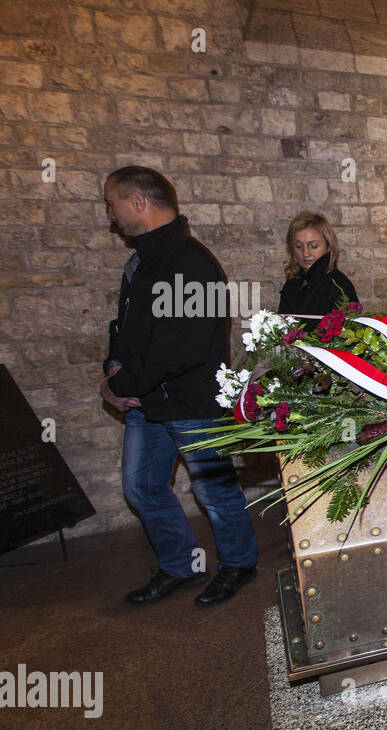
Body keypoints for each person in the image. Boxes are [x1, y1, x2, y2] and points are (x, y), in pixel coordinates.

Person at [99, 166, 259, 607]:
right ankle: (179, 565)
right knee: (142, 488)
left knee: (215, 491)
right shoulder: (140, 261)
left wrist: (125, 383)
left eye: (113, 203)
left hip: (191, 403)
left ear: (139, 202)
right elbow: (125, 328)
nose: (112, 215)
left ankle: (240, 563)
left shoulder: (193, 263)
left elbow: (181, 347)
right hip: (145, 402)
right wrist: (114, 367)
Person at [277, 211, 358, 319]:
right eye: (298, 246)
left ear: (328, 246)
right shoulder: (293, 283)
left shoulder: (339, 286)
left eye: (313, 246)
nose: (305, 253)